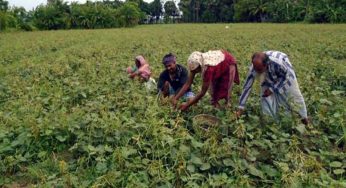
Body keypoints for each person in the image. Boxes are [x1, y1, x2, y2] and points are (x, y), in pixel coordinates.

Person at [236, 51, 309, 125]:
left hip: (286, 75)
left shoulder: (278, 64)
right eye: (256, 69)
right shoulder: (254, 68)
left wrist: (272, 89)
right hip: (268, 73)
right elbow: (247, 87)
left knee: (294, 97)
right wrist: (241, 107)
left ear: (266, 65)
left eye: (259, 69)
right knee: (266, 98)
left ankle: (305, 120)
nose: (257, 71)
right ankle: (271, 123)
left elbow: (286, 77)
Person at [173, 50, 240, 111]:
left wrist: (187, 105)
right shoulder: (195, 64)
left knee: (224, 88)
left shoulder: (208, 69)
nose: (195, 72)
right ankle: (215, 105)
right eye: (193, 70)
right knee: (214, 89)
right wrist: (176, 98)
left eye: (196, 70)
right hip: (218, 65)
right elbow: (188, 83)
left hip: (228, 63)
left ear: (200, 65)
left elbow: (202, 92)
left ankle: (225, 109)